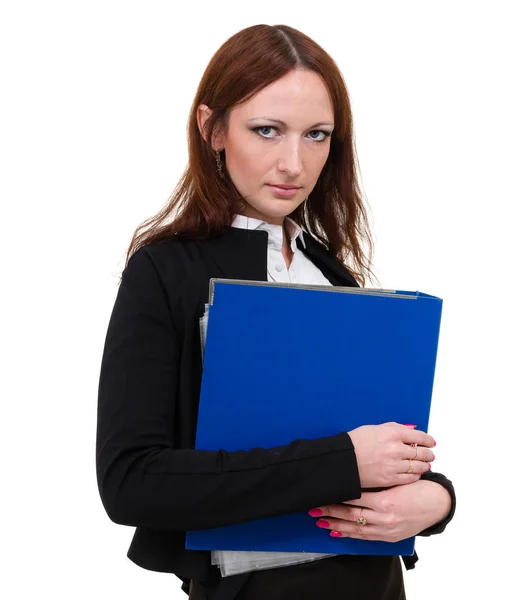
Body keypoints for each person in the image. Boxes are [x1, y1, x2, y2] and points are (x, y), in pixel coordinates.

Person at [96, 23, 456, 600]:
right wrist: (342, 461)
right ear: (211, 128)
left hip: (374, 584)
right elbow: (130, 483)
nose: (294, 163)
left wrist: (437, 499)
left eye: (317, 135)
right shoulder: (164, 271)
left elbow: (383, 449)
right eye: (267, 130)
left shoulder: (334, 273)